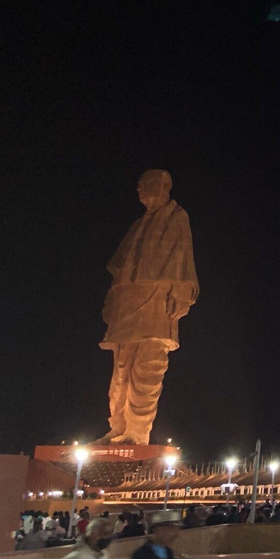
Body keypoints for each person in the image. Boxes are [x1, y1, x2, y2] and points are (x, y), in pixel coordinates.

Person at [96, 170, 199, 444]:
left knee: (147, 367)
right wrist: (111, 299)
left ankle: (137, 432)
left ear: (164, 186)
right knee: (120, 370)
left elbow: (183, 259)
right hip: (127, 302)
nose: (140, 188)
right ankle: (118, 427)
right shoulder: (138, 225)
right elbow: (120, 267)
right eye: (138, 184)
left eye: (146, 184)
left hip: (157, 301)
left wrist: (181, 292)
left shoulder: (177, 217)